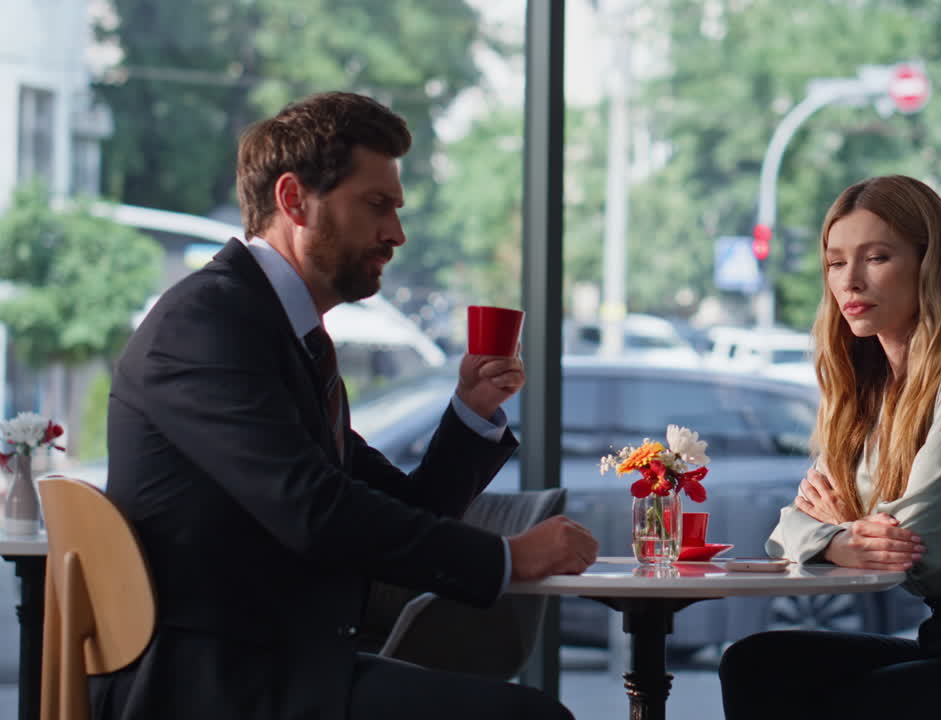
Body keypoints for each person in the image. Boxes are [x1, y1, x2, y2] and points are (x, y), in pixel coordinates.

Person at [99, 92, 597, 720]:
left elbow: (403, 511)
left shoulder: (281, 335)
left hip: (288, 670)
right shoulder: (207, 321)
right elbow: (313, 510)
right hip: (211, 688)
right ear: (293, 200)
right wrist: (506, 557)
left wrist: (471, 410)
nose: (396, 233)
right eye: (376, 205)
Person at [718, 175, 941, 720]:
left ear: (927, 264)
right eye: (836, 263)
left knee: (863, 702)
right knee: (755, 662)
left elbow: (912, 541)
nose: (850, 282)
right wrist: (840, 537)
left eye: (876, 257)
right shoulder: (869, 391)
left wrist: (835, 530)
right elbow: (785, 530)